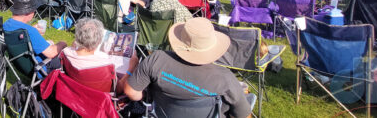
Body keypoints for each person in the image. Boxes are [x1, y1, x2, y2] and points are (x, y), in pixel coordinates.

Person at [124, 18, 254, 118]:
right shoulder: (226, 78)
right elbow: (243, 115)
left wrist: (149, 96)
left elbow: (131, 92)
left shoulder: (156, 59)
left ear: (180, 39)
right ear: (211, 45)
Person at [61, 18, 138, 94]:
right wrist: (131, 69)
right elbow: (118, 89)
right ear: (99, 41)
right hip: (99, 100)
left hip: (75, 93)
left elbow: (73, 47)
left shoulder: (66, 53)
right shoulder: (104, 66)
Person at [3, 0, 67, 70]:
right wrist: (62, 44)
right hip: (38, 68)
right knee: (66, 57)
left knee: (49, 42)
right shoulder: (30, 32)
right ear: (30, 12)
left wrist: (33, 29)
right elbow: (51, 53)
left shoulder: (6, 24)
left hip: (20, 66)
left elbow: (21, 34)